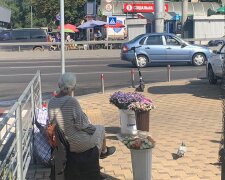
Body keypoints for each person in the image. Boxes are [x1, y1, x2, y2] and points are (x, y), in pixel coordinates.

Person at [48, 73, 116, 158]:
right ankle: (102, 152)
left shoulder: (51, 102)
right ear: (73, 87)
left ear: (59, 84)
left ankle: (102, 151)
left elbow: (52, 121)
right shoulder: (72, 102)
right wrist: (93, 128)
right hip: (75, 143)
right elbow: (81, 125)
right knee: (101, 129)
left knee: (95, 130)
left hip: (60, 142)